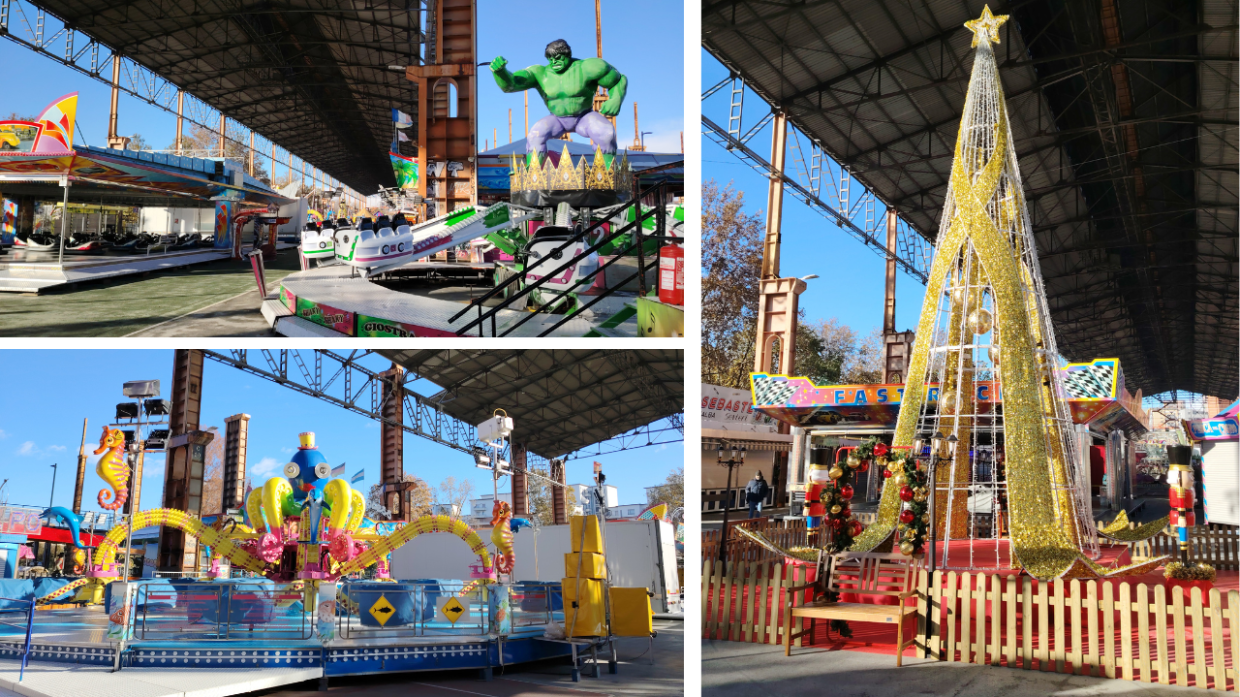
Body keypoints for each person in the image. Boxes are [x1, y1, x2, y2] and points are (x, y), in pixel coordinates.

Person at [489, 39, 627, 162]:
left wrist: (616, 99)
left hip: (584, 116)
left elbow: (618, 80)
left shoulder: (588, 67)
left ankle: (608, 172)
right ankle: (534, 175)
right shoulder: (540, 73)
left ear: (568, 54)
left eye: (558, 57)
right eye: (550, 58)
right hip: (557, 119)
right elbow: (511, 84)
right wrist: (500, 72)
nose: (554, 62)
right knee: (535, 134)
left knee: (605, 132)